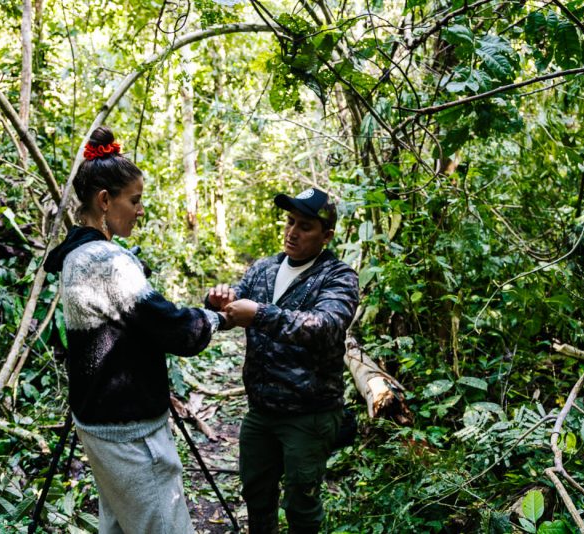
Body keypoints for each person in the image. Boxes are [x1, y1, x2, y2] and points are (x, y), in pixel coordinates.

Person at [44, 126, 228, 534]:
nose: (140, 210)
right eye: (135, 200)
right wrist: (221, 318)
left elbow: (132, 325)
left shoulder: (76, 255)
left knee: (120, 524)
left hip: (99, 424)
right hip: (130, 434)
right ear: (105, 200)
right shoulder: (106, 260)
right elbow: (174, 330)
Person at [206, 187, 360, 534]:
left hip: (309, 414)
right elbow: (232, 312)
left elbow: (325, 326)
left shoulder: (338, 276)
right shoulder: (264, 269)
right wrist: (217, 301)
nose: (292, 232)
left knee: (301, 504)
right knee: (257, 495)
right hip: (261, 411)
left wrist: (259, 314)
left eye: (305, 226)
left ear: (326, 235)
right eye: (290, 222)